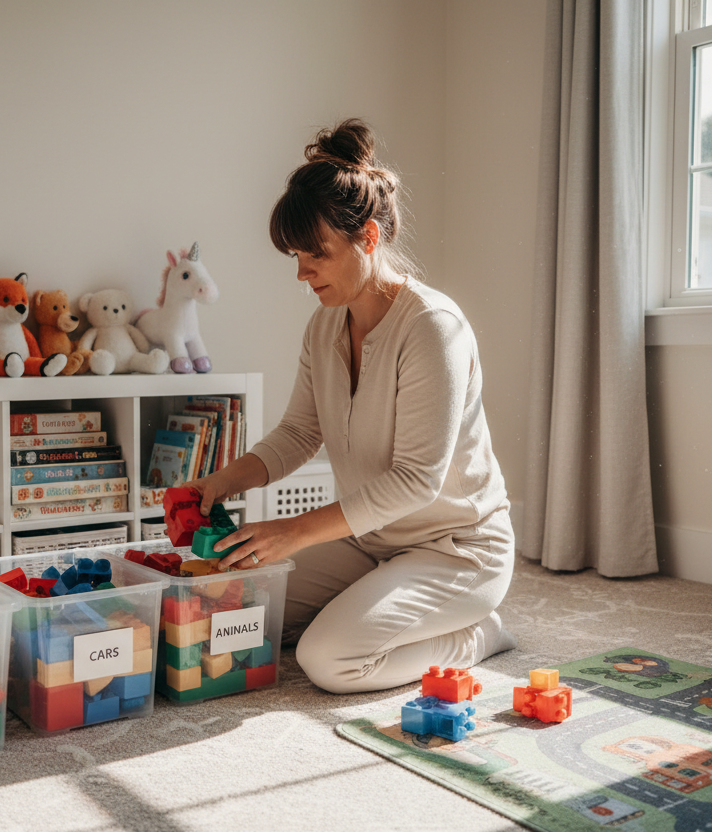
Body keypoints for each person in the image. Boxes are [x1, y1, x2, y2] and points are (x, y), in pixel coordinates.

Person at [184, 118, 517, 694]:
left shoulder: (433, 328)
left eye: (316, 254)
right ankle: (384, 607)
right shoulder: (324, 326)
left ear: (367, 238)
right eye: (295, 256)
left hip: (457, 550)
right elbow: (297, 432)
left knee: (330, 660)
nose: (302, 272)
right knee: (234, 614)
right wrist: (219, 482)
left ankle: (477, 633)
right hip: (371, 541)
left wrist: (294, 533)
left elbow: (416, 481)